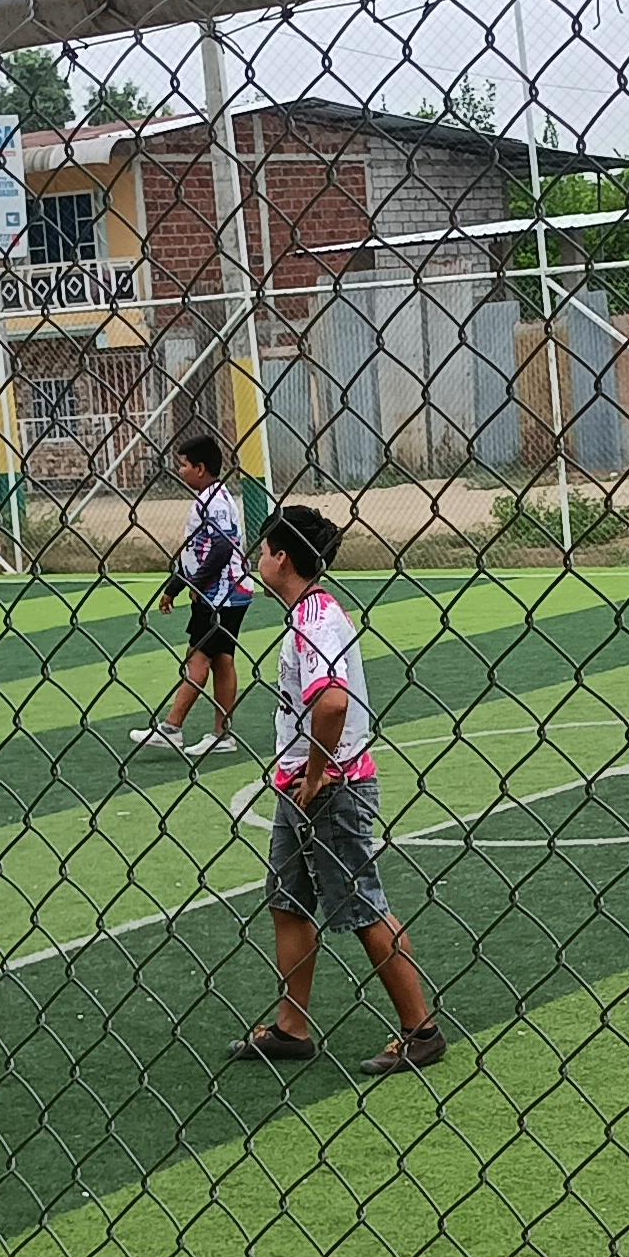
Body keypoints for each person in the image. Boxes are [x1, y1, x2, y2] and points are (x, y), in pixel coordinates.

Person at [225, 505, 447, 1075]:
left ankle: (421, 1030)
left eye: (263, 549)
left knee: (363, 906)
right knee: (287, 901)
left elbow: (332, 701)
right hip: (302, 785)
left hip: (329, 789)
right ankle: (292, 1027)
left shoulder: (315, 620)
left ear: (282, 557)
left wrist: (319, 770)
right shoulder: (308, 614)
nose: (257, 558)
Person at [133, 436, 251, 756]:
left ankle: (172, 728)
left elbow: (222, 547)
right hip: (228, 592)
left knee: (197, 658)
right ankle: (222, 735)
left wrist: (197, 584)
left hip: (220, 594)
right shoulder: (210, 498)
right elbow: (197, 552)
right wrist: (174, 588)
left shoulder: (213, 501)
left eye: (183, 464)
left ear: (200, 468)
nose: (180, 470)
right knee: (222, 660)